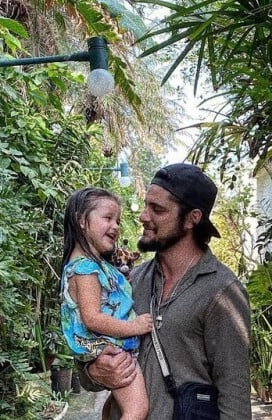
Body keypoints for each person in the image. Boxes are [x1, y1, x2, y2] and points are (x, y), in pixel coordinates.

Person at [80, 164, 252, 419]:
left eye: (157, 209)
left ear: (192, 218)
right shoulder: (130, 282)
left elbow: (235, 396)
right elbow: (89, 354)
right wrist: (94, 372)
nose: (143, 216)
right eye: (146, 205)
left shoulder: (222, 291)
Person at [60, 187, 153, 420]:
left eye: (118, 220)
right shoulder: (84, 268)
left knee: (118, 408)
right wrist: (134, 327)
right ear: (82, 221)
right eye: (108, 218)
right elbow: (92, 318)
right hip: (111, 352)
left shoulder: (95, 266)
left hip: (110, 351)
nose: (116, 226)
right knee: (136, 410)